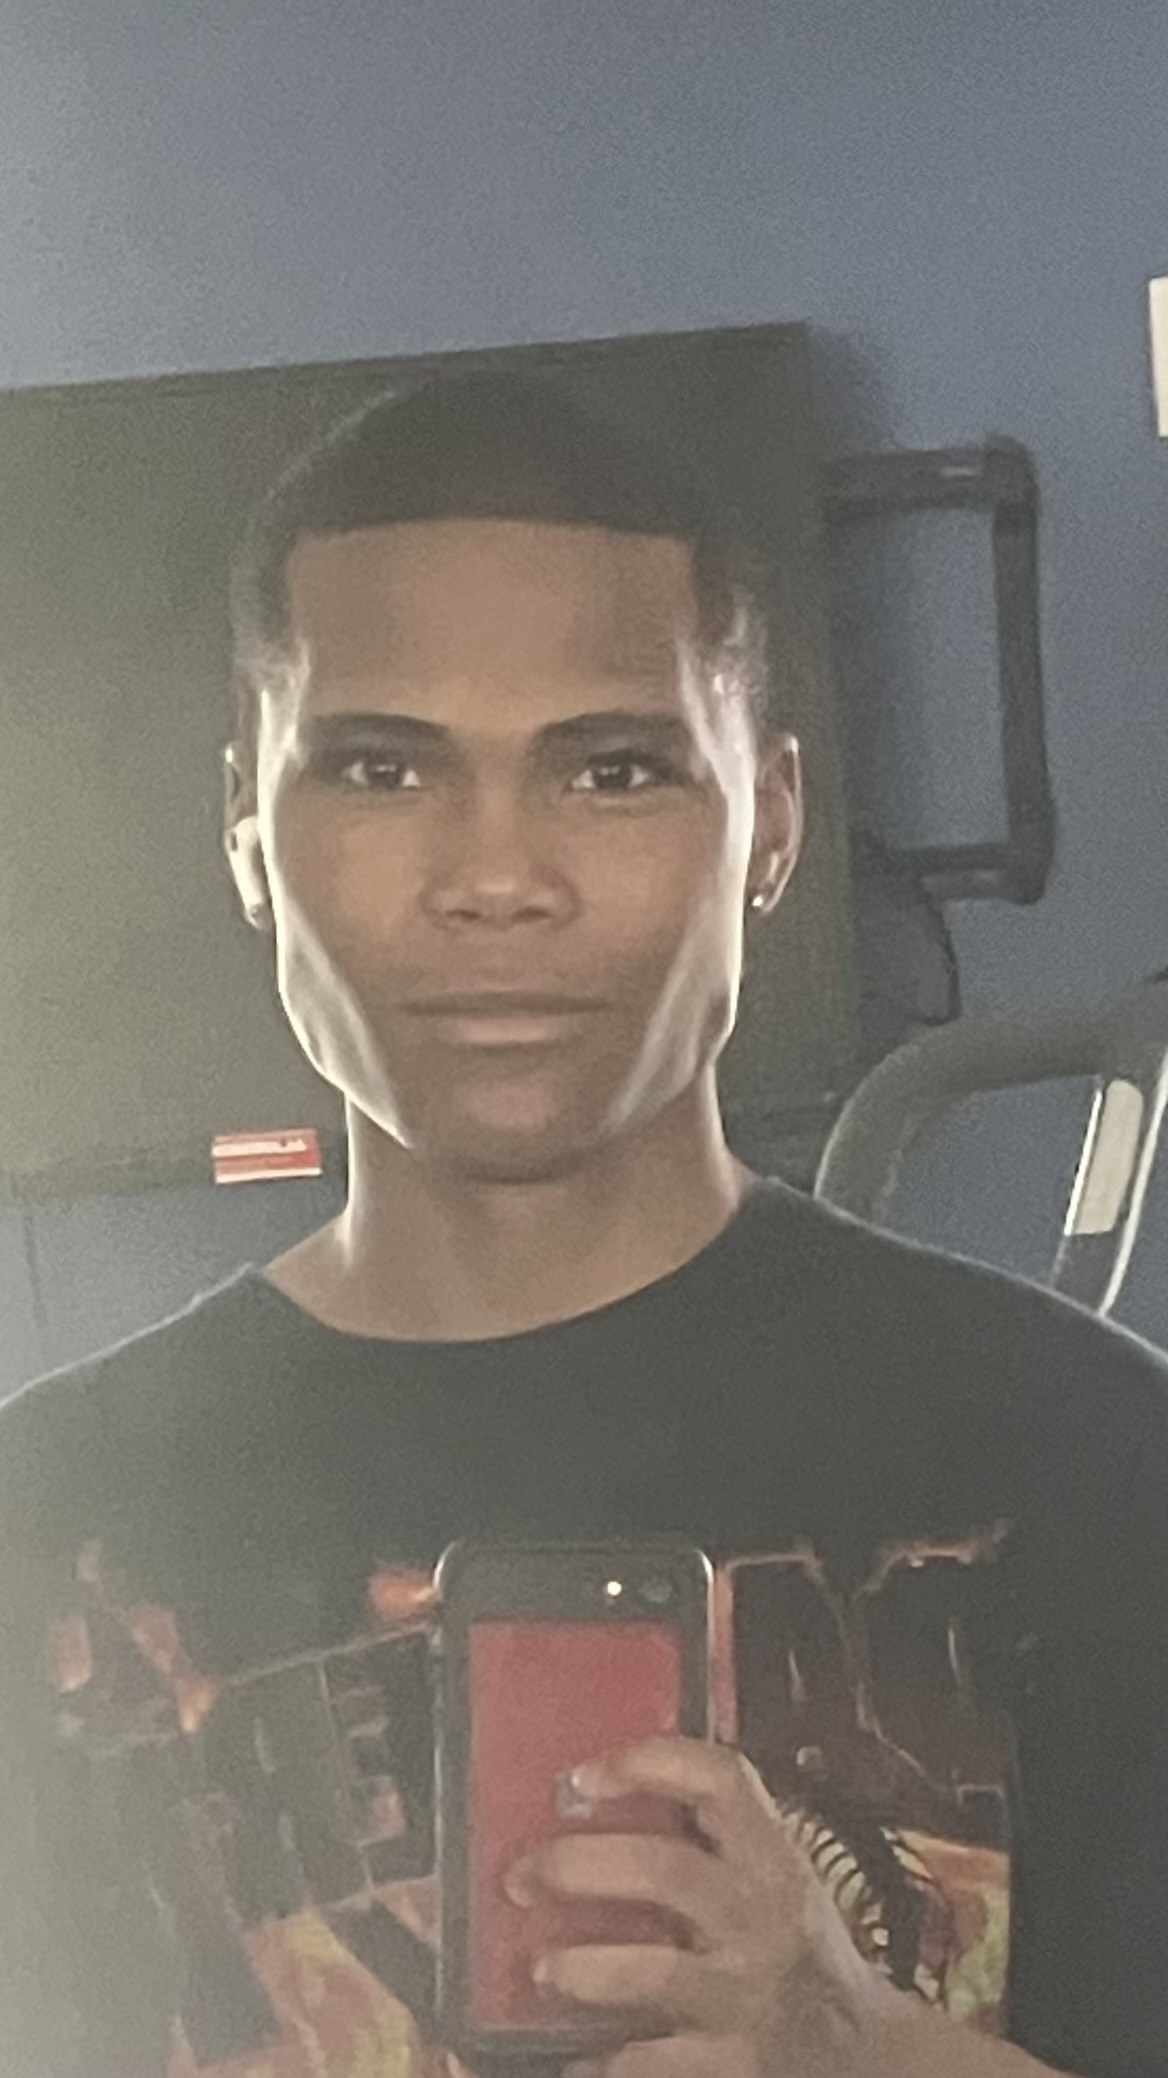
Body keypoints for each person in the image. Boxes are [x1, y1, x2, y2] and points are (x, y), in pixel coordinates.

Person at [1, 366, 1166, 2078]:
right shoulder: (46, 1518)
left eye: (613, 770)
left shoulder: (1103, 1462)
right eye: (383, 768)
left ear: (770, 821)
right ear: (249, 830)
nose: (498, 877)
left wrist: (853, 2045)